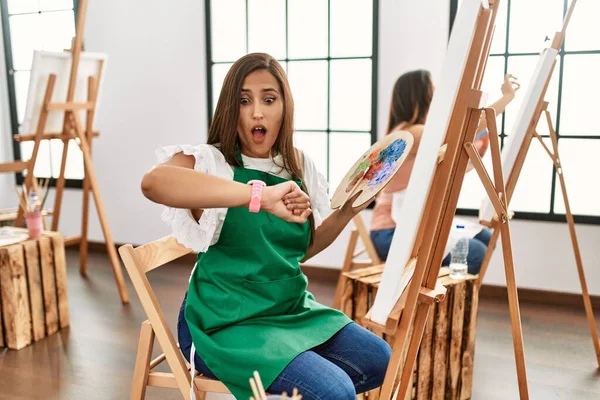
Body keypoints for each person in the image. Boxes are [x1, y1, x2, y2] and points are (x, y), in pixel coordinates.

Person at [141, 53, 391, 400]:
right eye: (245, 100)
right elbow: (154, 183)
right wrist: (257, 196)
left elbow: (304, 248)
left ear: (284, 107)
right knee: (335, 391)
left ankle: (295, 372)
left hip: (287, 308)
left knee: (378, 360)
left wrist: (348, 210)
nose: (257, 112)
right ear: (232, 108)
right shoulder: (212, 162)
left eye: (268, 99)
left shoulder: (299, 164)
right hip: (225, 321)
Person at [369, 69, 520, 274]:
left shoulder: (418, 133)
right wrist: (507, 98)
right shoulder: (411, 133)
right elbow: (466, 128)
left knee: (485, 238)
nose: (438, 94)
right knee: (476, 254)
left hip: (407, 226)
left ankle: (438, 297)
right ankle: (435, 300)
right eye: (434, 89)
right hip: (391, 233)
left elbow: (449, 167)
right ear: (422, 97)